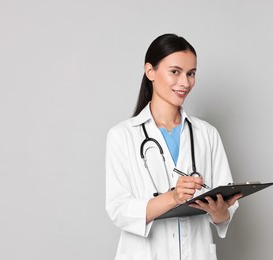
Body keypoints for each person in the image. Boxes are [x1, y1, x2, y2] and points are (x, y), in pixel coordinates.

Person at [106, 33, 241, 260]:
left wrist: (220, 213)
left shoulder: (206, 134)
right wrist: (174, 197)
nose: (185, 83)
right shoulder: (122, 135)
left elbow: (224, 214)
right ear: (150, 71)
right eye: (175, 72)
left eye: (191, 74)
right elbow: (119, 210)